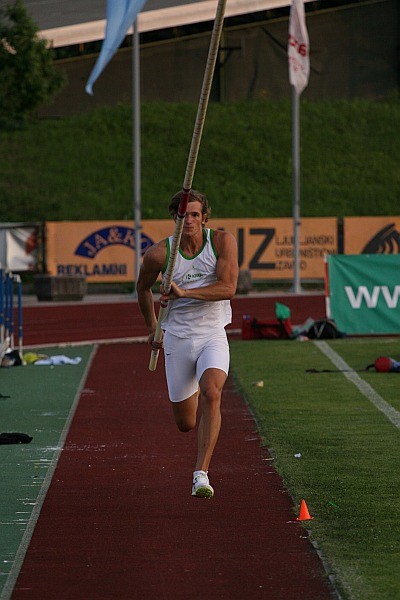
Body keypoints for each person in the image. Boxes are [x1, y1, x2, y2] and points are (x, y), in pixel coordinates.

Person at [137, 189, 239, 499]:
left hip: (212, 334)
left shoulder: (221, 242)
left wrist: (186, 293)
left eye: (195, 214)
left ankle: (201, 474)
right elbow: (142, 289)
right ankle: (192, 383)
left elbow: (228, 288)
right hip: (178, 339)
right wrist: (154, 327)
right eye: (184, 215)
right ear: (175, 217)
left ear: (204, 217)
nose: (190, 220)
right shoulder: (159, 254)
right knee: (186, 423)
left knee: (212, 392)